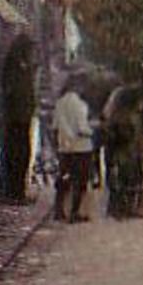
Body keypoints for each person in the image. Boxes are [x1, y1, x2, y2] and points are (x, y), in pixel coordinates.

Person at [0, 35, 35, 204]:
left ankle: (19, 192)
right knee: (15, 156)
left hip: (23, 119)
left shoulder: (25, 67)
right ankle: (12, 192)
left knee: (23, 156)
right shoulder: (13, 66)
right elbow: (9, 92)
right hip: (14, 121)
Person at [51, 76, 94, 224]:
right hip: (81, 147)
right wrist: (93, 130)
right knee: (80, 180)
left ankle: (58, 210)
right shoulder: (81, 105)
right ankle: (74, 212)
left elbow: (55, 126)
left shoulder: (59, 103)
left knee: (63, 178)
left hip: (64, 147)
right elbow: (82, 128)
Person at [103, 81, 143, 219]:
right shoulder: (129, 116)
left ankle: (119, 208)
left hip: (122, 153)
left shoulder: (114, 115)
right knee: (128, 181)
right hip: (127, 153)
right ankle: (126, 208)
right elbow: (131, 135)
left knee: (121, 182)